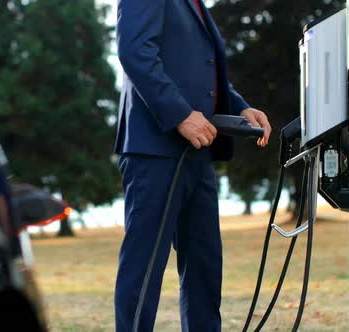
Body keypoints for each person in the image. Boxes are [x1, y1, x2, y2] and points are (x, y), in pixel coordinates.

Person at [113, 0, 272, 331]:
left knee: (204, 267)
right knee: (144, 271)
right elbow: (135, 51)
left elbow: (198, 71)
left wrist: (240, 108)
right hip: (154, 150)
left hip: (198, 153)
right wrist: (180, 116)